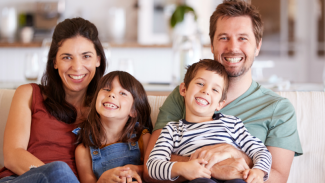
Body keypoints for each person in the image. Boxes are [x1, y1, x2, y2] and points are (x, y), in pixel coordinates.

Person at [144, 0, 303, 182]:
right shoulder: (186, 96)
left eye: (243, 38)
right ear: (212, 45)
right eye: (224, 38)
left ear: (257, 46)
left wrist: (235, 154)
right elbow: (150, 169)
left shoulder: (278, 109)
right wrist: (213, 167)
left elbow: (277, 178)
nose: (233, 48)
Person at [0, 17, 106, 183]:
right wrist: (58, 176)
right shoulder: (29, 94)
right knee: (59, 169)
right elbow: (13, 156)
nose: (77, 67)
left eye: (86, 56)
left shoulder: (107, 108)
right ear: (54, 61)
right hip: (21, 179)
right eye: (66, 57)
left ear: (98, 60)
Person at [147, 59, 271, 183]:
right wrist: (181, 168)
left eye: (215, 90)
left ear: (220, 104)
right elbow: (152, 165)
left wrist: (259, 171)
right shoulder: (172, 130)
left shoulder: (232, 124)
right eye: (200, 83)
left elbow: (260, 151)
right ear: (183, 89)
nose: (206, 91)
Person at [74, 71, 153, 183]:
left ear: (133, 110)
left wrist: (134, 170)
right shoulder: (83, 150)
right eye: (106, 89)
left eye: (123, 93)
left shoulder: (144, 138)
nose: (111, 94)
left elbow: (154, 172)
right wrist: (101, 181)